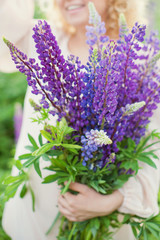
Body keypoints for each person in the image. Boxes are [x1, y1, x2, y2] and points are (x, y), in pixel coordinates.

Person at [0, 0, 160, 240]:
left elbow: (154, 152)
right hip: (37, 217)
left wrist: (111, 202)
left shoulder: (140, 62)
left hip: (106, 223)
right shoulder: (46, 36)